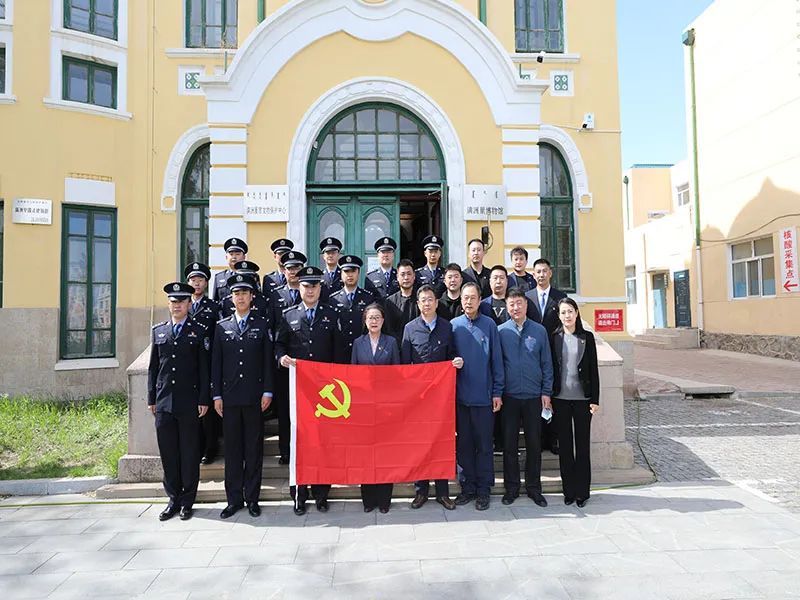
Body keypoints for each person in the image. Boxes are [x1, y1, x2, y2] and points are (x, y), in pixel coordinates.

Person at [276, 266, 341, 515]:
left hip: (325, 391)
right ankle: (299, 494)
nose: (310, 289)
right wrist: (281, 357)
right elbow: (279, 344)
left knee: (322, 441)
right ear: (299, 287)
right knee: (300, 442)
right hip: (299, 391)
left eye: (314, 285)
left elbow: (337, 352)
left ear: (320, 288)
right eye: (306, 285)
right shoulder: (288, 315)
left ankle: (321, 493)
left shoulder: (331, 313)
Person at [210, 274, 274, 519]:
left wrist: (268, 390)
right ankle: (233, 499)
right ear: (231, 298)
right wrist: (216, 395)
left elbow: (267, 361)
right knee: (233, 451)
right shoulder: (222, 326)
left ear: (252, 297)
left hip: (255, 398)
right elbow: (216, 364)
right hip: (229, 399)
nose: (241, 298)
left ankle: (253, 499)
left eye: (245, 294)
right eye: (237, 294)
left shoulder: (261, 324)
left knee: (253, 450)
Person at [148, 282, 210, 521]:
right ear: (169, 304)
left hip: (189, 402)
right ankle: (173, 499)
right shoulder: (159, 331)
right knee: (169, 453)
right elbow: (154, 368)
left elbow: (204, 369)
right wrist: (152, 397)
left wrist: (204, 398)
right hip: (164, 403)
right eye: (173, 302)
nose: (177, 306)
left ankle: (187, 501)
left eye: (181, 302)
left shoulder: (198, 330)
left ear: (188, 304)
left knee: (189, 453)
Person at [401, 284, 463, 510]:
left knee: (441, 443)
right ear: (417, 304)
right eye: (423, 300)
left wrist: (457, 361)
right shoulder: (409, 329)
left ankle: (443, 492)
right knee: (420, 444)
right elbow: (404, 366)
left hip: (441, 399)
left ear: (437, 302)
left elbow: (453, 354)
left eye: (430, 299)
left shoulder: (447, 328)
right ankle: (421, 491)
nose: (427, 303)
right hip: (418, 399)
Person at [450, 282, 504, 511]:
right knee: (463, 445)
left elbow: (497, 361)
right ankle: (467, 487)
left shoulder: (490, 325)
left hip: (484, 398)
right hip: (461, 399)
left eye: (473, 297)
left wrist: (497, 392)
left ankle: (484, 489)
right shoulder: (453, 326)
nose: (469, 302)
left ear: (480, 300)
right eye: (465, 298)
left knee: (484, 446)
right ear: (460, 301)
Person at [497, 288, 552, 507]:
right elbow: (497, 366)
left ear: (526, 306)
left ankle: (533, 488)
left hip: (533, 397)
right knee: (509, 445)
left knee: (534, 444)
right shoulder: (501, 332)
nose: (515, 308)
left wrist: (546, 391)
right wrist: (497, 393)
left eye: (519, 303)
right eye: (511, 304)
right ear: (507, 307)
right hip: (509, 397)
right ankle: (511, 488)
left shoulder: (539, 331)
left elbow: (547, 363)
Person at [549, 297, 600, 508]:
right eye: (563, 312)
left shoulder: (586, 337)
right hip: (560, 399)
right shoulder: (554, 337)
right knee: (566, 448)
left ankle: (582, 492)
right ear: (559, 316)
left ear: (577, 313)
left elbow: (594, 370)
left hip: (583, 401)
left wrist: (595, 399)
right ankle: (569, 490)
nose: (567, 316)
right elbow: (551, 368)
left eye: (570, 311)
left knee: (582, 446)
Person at [351, 303, 400, 513]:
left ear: (383, 320)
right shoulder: (357, 343)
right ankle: (368, 500)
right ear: (365, 321)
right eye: (370, 318)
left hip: (385, 407)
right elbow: (352, 375)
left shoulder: (391, 342)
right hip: (363, 407)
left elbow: (397, 373)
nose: (374, 321)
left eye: (377, 317)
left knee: (385, 454)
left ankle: (384, 499)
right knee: (366, 454)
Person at [525, 258, 567, 455]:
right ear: (533, 275)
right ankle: (539, 439)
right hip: (532, 355)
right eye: (537, 272)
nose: (541, 275)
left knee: (554, 395)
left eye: (544, 271)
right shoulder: (527, 297)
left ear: (550, 273)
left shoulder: (560, 297)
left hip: (555, 354)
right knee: (536, 398)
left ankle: (554, 438)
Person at [268, 250, 307, 464]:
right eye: (290, 268)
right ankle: (285, 450)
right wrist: (278, 356)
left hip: (307, 365)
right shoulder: (275, 294)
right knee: (285, 410)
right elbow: (273, 329)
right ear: (284, 270)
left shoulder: (312, 291)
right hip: (284, 364)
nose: (293, 271)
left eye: (297, 268)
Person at [184, 262, 220, 465]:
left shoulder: (213, 307)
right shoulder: (182, 304)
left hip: (207, 361)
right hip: (188, 363)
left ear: (206, 283)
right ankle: (195, 447)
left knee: (208, 409)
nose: (196, 284)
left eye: (200, 280)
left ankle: (210, 448)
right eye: (193, 280)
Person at [479, 265, 510, 454]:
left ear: (507, 281)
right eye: (494, 278)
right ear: (489, 282)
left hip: (510, 359)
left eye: (501, 278)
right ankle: (493, 439)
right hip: (489, 360)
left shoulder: (514, 303)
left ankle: (503, 441)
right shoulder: (483, 305)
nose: (498, 282)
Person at [327, 254, 375, 361]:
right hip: (339, 352)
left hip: (363, 352)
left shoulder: (368, 297)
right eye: (346, 271)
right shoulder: (333, 299)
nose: (350, 275)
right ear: (341, 274)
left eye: (353, 271)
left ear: (358, 273)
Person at [383, 258, 418, 344]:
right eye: (402, 274)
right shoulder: (390, 302)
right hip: (397, 346)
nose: (406, 278)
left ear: (414, 276)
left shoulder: (421, 299)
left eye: (409, 274)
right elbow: (388, 328)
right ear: (397, 277)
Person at [319, 237, 343, 301]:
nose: (330, 255)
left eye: (333, 253)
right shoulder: (319, 276)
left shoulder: (344, 274)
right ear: (323, 256)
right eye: (328, 253)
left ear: (338, 255)